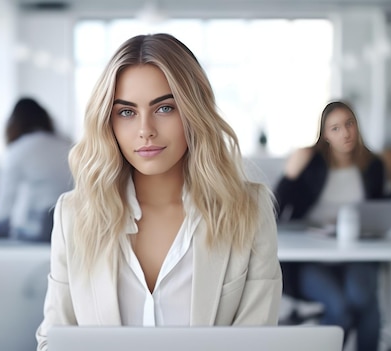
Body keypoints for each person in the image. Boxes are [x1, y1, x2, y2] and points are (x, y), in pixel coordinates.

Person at [35, 33, 282, 351]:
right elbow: (53, 340)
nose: (145, 129)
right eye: (126, 112)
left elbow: (258, 344)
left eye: (164, 108)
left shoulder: (249, 208)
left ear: (194, 113)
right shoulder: (74, 215)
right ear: (108, 122)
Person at [275, 101, 389, 351]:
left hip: (356, 252)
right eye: (335, 128)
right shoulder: (312, 163)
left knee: (362, 298)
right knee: (342, 307)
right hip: (312, 255)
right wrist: (290, 173)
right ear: (325, 135)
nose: (345, 133)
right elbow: (277, 208)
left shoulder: (373, 166)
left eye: (349, 124)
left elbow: (380, 213)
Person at [0, 97, 72, 241]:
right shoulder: (67, 144)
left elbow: (4, 203)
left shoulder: (18, 150)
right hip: (74, 225)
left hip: (43, 229)